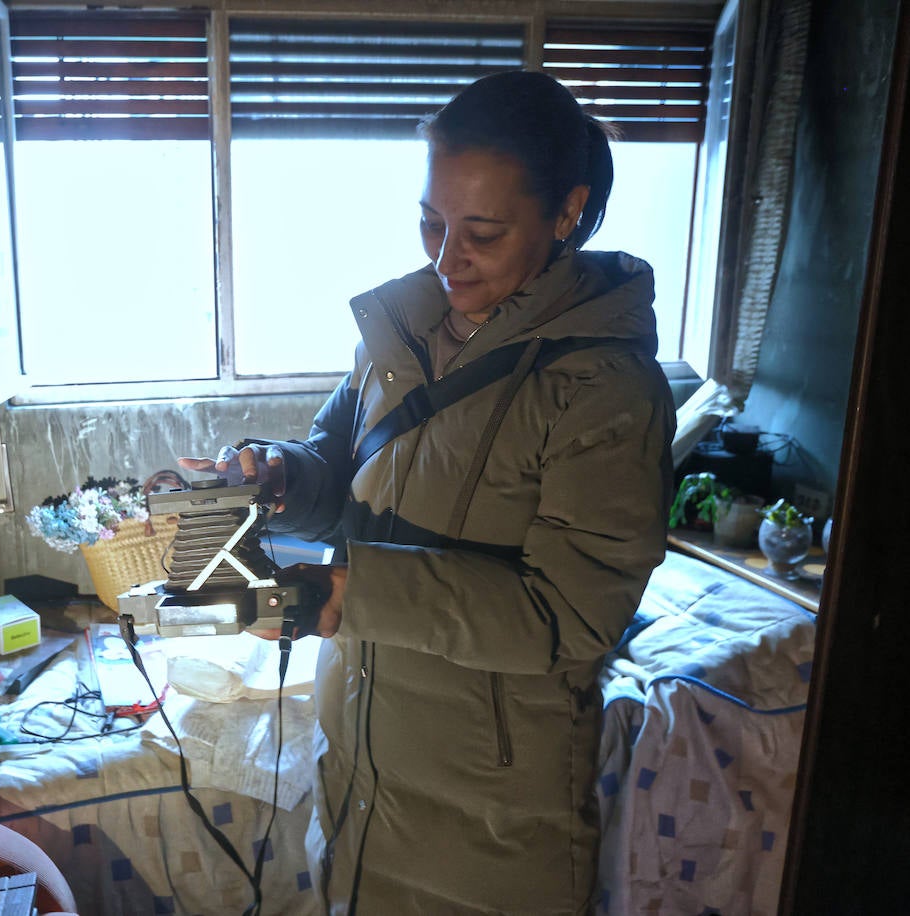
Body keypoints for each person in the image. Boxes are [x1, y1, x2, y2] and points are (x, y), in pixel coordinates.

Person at [180, 70, 675, 913]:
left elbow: (571, 616)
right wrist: (278, 474)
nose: (448, 257)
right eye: (431, 222)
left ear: (566, 213)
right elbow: (337, 467)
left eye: (481, 230)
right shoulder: (401, 336)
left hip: (487, 823)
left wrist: (350, 593)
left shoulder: (604, 389)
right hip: (362, 773)